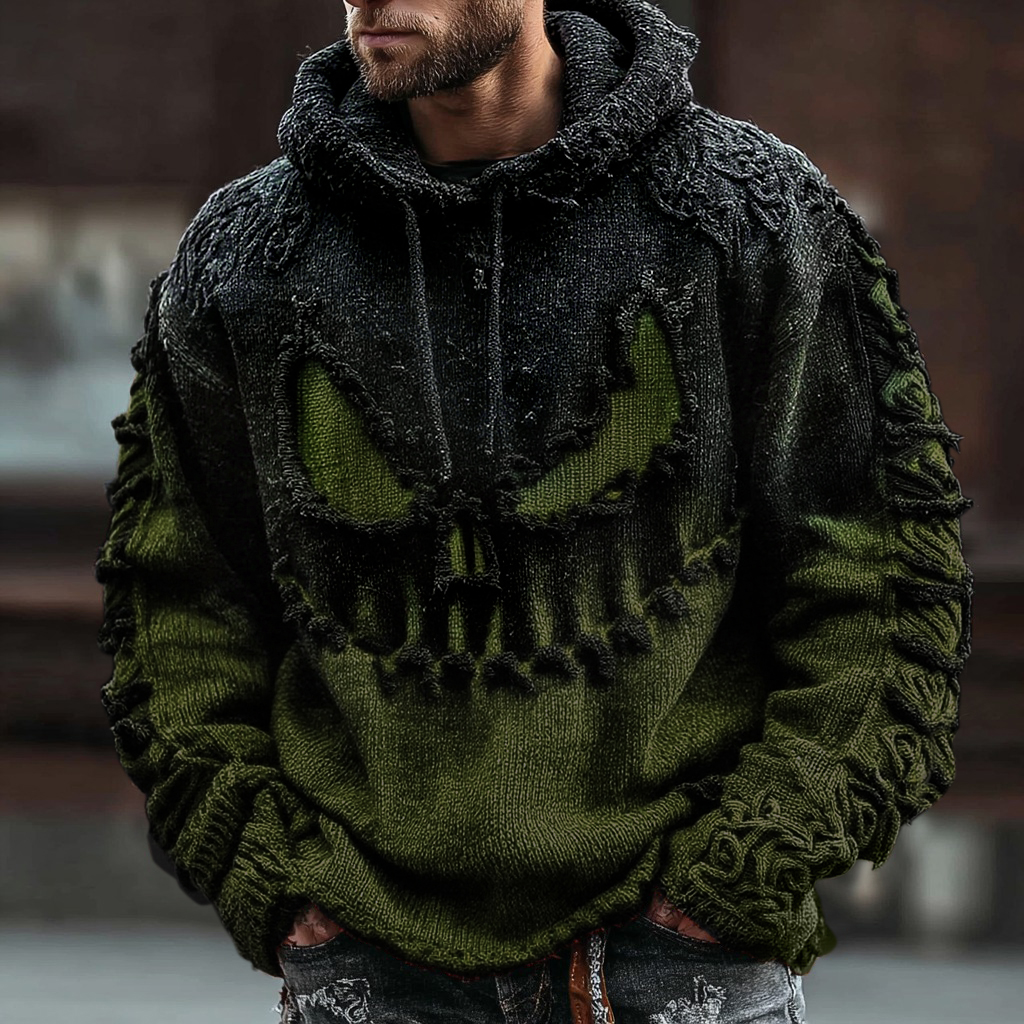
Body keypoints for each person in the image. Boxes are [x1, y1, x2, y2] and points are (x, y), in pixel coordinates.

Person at [95, 0, 972, 1021]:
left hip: (677, 959)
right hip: (368, 961)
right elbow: (176, 604)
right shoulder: (244, 255)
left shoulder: (747, 214)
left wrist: (744, 868)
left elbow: (881, 573)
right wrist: (277, 877)